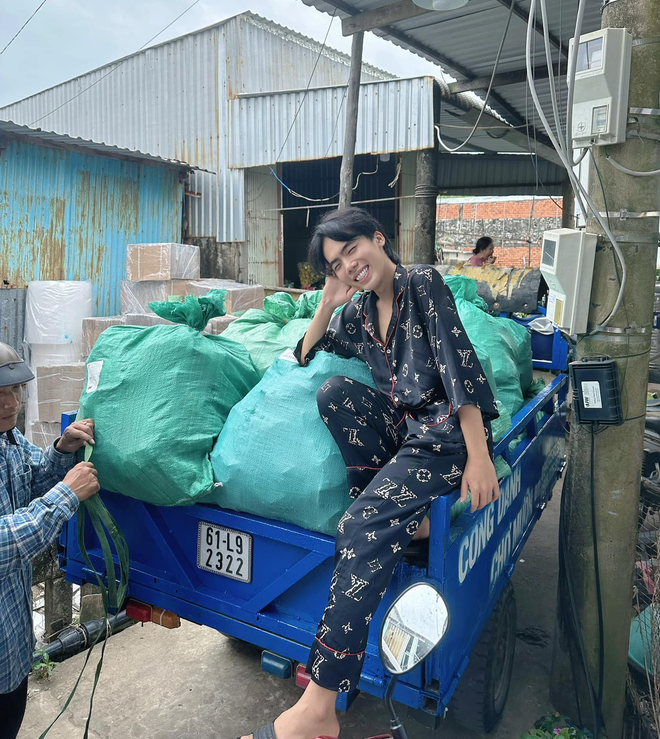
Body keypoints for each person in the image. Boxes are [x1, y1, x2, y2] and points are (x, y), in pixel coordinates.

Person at [239, 207, 500, 739]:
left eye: (352, 249)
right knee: (333, 391)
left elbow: (460, 367)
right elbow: (306, 352)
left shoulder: (421, 283)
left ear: (378, 238)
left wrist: (478, 455)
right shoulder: (359, 313)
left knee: (356, 528)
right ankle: (400, 520)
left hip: (447, 436)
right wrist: (327, 302)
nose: (349, 264)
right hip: (410, 438)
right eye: (336, 263)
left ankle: (318, 710)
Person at [0, 342, 99, 739]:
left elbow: (32, 476)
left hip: (11, 651)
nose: (10, 403)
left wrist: (62, 450)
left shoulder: (8, 439)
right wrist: (66, 495)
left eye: (16, 390)